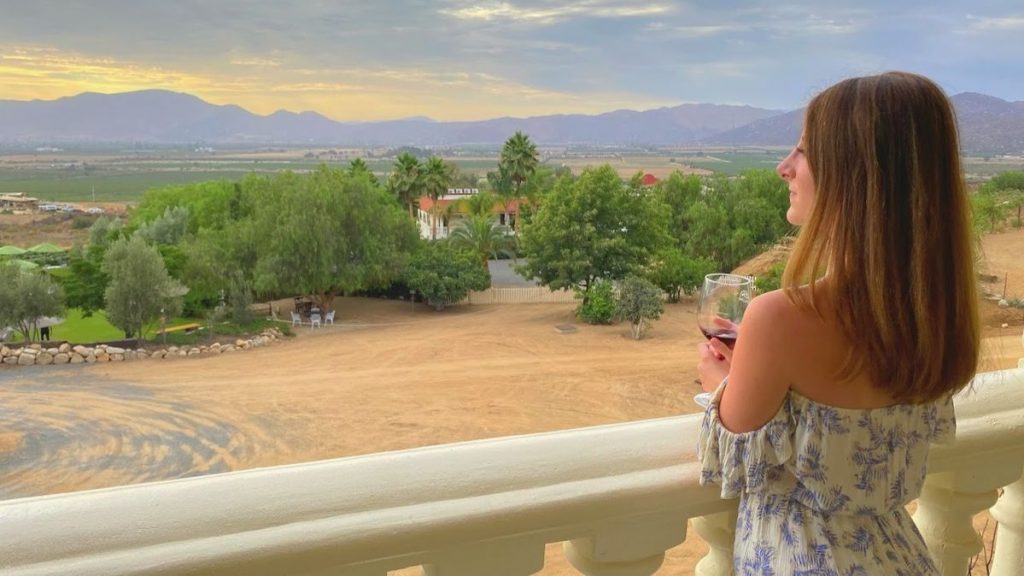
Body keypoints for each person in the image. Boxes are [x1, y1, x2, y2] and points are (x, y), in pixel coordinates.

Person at [696, 71, 979, 574]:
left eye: (803, 152)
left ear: (854, 176)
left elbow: (734, 462)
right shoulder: (936, 322)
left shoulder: (779, 316)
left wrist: (721, 381)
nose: (785, 168)